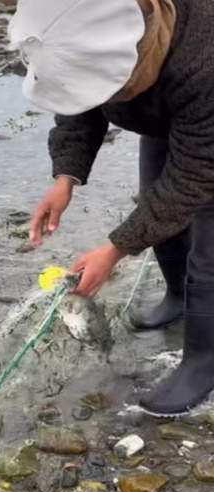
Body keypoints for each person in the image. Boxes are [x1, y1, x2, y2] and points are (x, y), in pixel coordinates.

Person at [13, 0, 214, 415]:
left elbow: (191, 179)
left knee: (209, 250)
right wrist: (65, 177)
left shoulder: (203, 58)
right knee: (154, 198)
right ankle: (178, 296)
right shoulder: (85, 20)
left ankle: (203, 360)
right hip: (166, 114)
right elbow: (77, 103)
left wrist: (116, 249)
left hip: (205, 120)